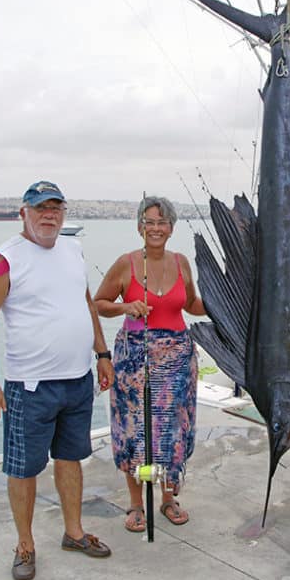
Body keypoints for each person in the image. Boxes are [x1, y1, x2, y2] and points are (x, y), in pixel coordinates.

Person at [0, 180, 114, 580]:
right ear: (22, 212)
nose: (49, 215)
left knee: (71, 458)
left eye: (56, 208)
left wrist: (102, 353)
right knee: (22, 468)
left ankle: (73, 533)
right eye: (40, 207)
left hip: (77, 381)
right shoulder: (4, 259)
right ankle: (25, 544)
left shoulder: (73, 251)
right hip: (30, 387)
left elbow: (86, 303)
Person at [94, 195, 205, 532]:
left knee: (171, 431)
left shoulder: (182, 262)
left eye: (162, 222)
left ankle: (169, 499)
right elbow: (99, 303)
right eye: (149, 222)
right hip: (135, 358)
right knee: (135, 432)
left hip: (177, 359)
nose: (155, 228)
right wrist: (126, 308)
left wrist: (225, 305)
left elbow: (192, 304)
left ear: (171, 228)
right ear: (140, 227)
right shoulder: (125, 263)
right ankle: (135, 504)